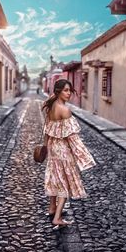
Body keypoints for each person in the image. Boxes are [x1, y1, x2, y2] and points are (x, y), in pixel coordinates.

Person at [42, 79, 96, 230]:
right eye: (66, 90)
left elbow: (46, 130)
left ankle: (52, 208)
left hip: (53, 149)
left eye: (70, 90)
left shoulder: (51, 105)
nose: (69, 93)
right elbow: (73, 139)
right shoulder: (64, 110)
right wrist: (84, 156)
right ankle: (57, 218)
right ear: (58, 91)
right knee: (65, 181)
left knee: (54, 177)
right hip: (63, 151)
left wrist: (46, 147)